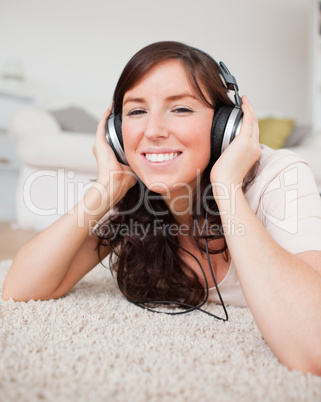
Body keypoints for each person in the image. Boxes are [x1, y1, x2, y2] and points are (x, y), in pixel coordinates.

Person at [2, 41, 321, 375]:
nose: (153, 131)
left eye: (181, 109)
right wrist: (107, 186)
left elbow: (312, 348)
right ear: (115, 132)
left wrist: (226, 184)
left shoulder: (277, 176)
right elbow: (20, 290)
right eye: (137, 111)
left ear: (225, 126)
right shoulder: (133, 190)